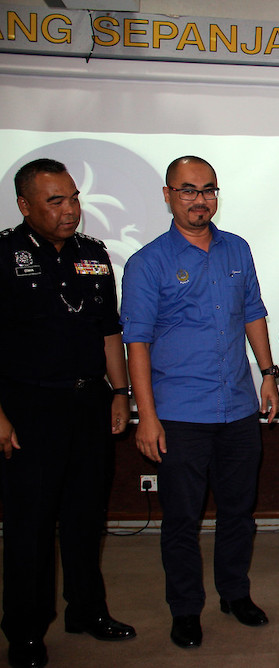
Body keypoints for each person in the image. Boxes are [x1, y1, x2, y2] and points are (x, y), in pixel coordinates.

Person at [120, 155, 279, 649]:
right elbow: (137, 343)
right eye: (188, 190)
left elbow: (253, 312)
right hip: (179, 414)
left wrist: (268, 374)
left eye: (208, 190)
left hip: (236, 407)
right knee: (182, 521)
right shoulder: (147, 262)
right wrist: (145, 417)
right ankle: (186, 609)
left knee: (238, 511)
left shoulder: (237, 249)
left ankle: (235, 592)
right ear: (168, 195)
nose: (200, 199)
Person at [0, 158, 136, 668]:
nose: (70, 210)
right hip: (29, 407)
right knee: (29, 527)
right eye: (55, 201)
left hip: (89, 404)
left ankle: (87, 609)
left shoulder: (93, 255)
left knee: (86, 517)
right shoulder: (5, 254)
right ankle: (26, 631)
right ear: (25, 205)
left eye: (74, 198)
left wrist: (120, 392)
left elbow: (107, 331)